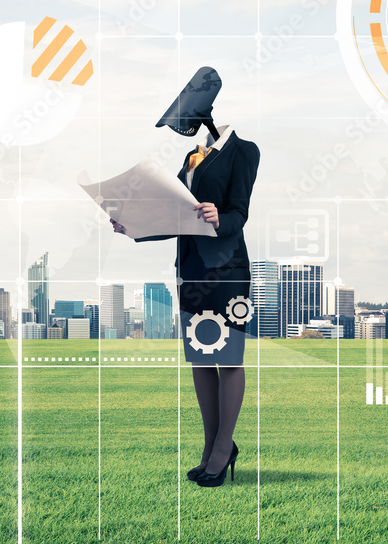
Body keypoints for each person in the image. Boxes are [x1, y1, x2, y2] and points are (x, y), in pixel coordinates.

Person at [110, 66, 259, 488]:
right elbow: (175, 215)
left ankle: (221, 448)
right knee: (200, 359)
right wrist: (133, 228)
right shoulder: (190, 159)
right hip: (190, 270)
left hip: (228, 270)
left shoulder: (244, 151)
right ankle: (214, 447)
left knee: (227, 359)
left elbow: (239, 212)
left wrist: (219, 216)